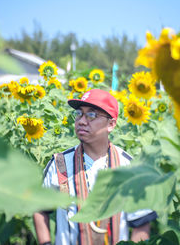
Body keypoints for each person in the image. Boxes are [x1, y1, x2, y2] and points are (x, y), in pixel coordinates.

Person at [34, 89, 157, 245]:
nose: (82, 121)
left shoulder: (129, 167)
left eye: (91, 115)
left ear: (111, 124)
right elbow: (40, 208)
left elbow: (141, 223)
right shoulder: (61, 164)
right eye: (79, 113)